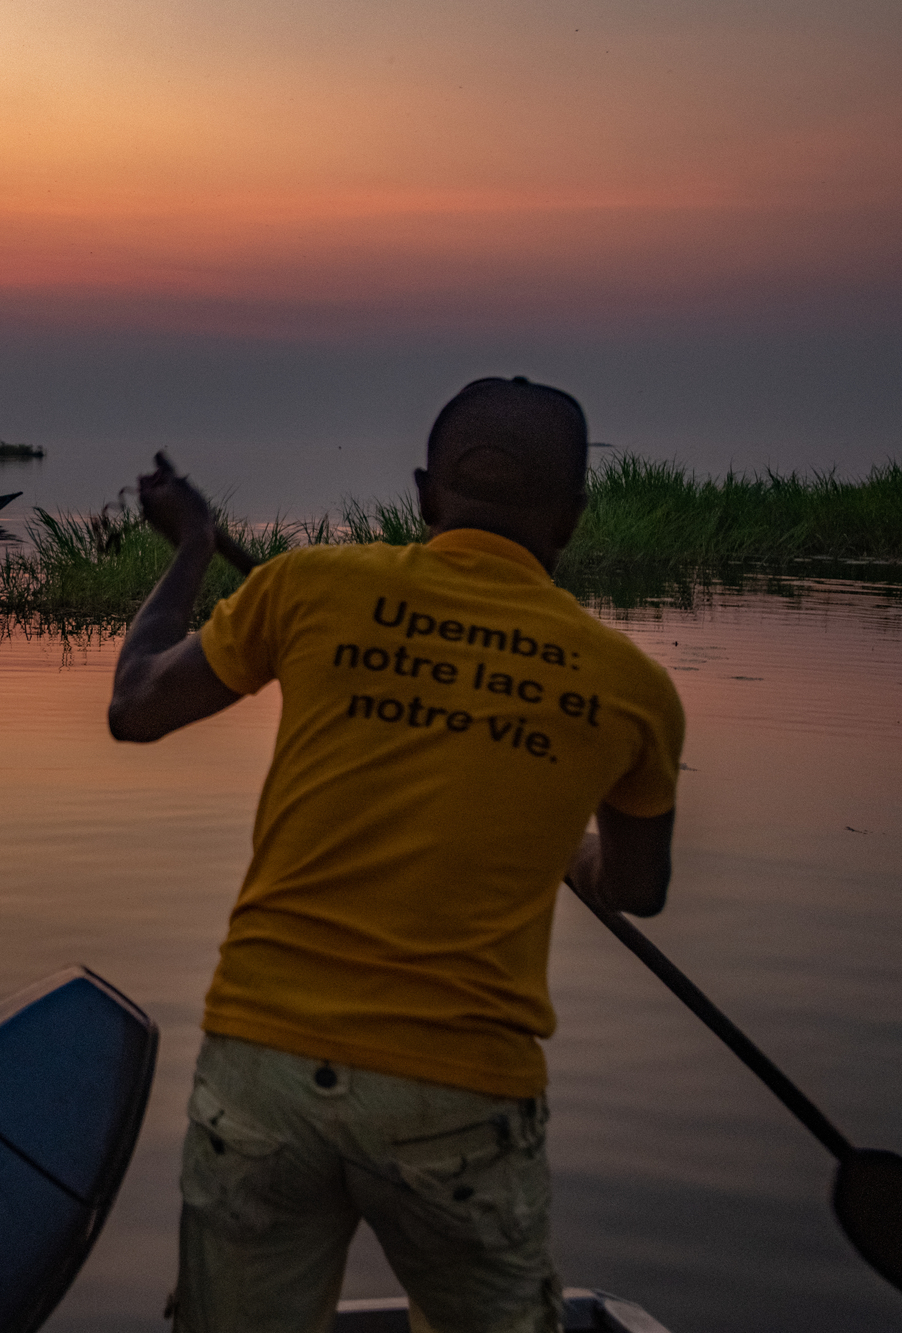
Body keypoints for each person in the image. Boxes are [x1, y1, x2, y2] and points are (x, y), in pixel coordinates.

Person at [108, 377, 684, 1333]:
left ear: (425, 496)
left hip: (264, 1075)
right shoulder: (632, 689)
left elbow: (135, 705)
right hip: (460, 1100)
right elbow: (639, 888)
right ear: (573, 520)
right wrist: (569, 849)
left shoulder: (306, 587)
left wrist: (195, 551)